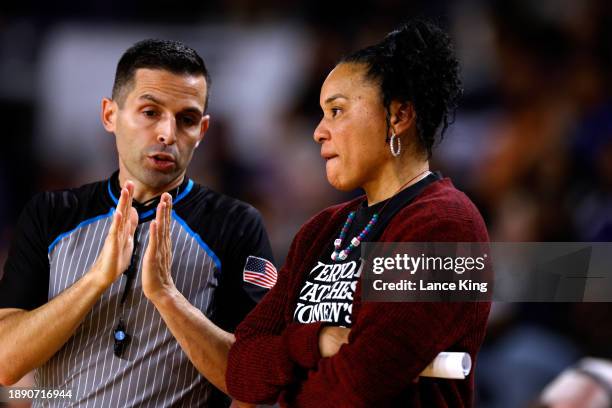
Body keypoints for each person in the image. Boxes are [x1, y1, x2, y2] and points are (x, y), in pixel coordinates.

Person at [225, 20, 491, 407]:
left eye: (337, 111)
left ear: (398, 117)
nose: (318, 131)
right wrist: (319, 340)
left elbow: (359, 386)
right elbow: (242, 368)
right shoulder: (322, 229)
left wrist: (290, 360)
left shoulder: (446, 226)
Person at [0, 39, 275, 407]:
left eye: (187, 119)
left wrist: (168, 298)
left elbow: (257, 378)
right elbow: (6, 363)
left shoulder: (238, 224)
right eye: (150, 112)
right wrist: (96, 279)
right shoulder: (51, 213)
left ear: (203, 131)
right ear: (110, 115)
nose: (167, 133)